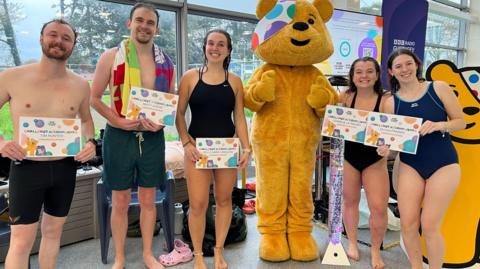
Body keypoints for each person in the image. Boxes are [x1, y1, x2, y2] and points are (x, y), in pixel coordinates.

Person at [0, 19, 96, 269]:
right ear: (41, 38)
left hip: (65, 168)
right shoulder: (12, 77)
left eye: (66, 38)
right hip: (27, 168)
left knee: (53, 233)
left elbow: (86, 120)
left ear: (73, 45)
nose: (59, 41)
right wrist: (1, 142)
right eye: (53, 35)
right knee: (21, 241)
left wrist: (90, 142)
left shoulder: (80, 85)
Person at [90, 3, 175, 269]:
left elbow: (168, 99)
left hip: (151, 139)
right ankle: (120, 257)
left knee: (149, 200)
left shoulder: (166, 62)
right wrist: (116, 120)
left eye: (150, 22)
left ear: (157, 29)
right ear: (130, 23)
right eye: (139, 20)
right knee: (120, 200)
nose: (144, 26)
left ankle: (148, 254)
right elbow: (94, 98)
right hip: (118, 137)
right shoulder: (110, 57)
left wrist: (161, 124)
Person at [379, 48, 466, 269]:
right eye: (398, 66)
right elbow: (394, 144)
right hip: (410, 164)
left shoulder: (438, 88)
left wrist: (440, 125)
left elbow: (461, 122)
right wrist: (387, 151)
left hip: (443, 163)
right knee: (407, 224)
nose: (404, 69)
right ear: (391, 71)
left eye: (408, 63)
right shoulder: (390, 102)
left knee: (429, 226)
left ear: (417, 64)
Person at [175, 29, 250, 269]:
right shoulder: (190, 77)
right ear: (205, 47)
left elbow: (239, 116)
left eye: (220, 44)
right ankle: (197, 253)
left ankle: (218, 250)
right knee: (197, 204)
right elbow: (178, 114)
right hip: (197, 149)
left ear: (228, 50)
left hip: (226, 148)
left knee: (225, 200)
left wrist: (246, 148)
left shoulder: (235, 81)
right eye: (210, 43)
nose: (214, 48)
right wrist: (186, 142)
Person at [340, 57, 389, 269]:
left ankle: (376, 251)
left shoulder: (386, 100)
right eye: (359, 72)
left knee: (378, 208)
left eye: (369, 71)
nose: (364, 76)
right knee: (349, 201)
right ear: (352, 76)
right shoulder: (345, 96)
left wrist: (389, 147)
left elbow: (394, 134)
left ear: (377, 75)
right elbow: (332, 120)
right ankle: (352, 243)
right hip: (350, 156)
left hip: (375, 160)